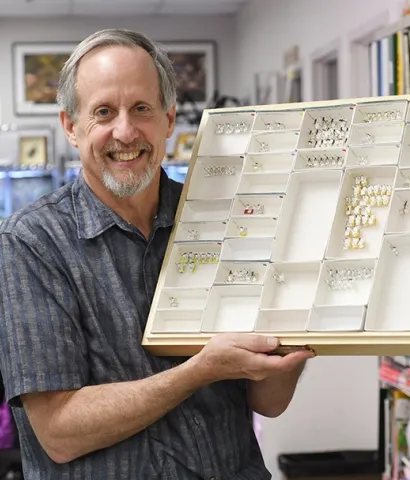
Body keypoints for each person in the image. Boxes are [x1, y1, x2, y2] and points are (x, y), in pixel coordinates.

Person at [0, 29, 314, 479]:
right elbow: (59, 432)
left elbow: (268, 401)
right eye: (104, 112)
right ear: (70, 125)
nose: (125, 131)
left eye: (142, 109)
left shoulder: (225, 222)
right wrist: (198, 371)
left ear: (169, 120)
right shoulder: (32, 242)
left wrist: (299, 327)